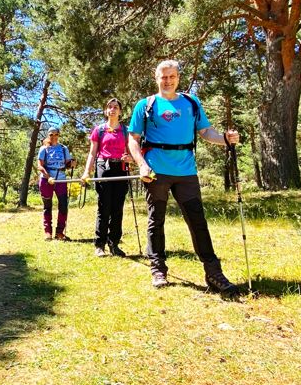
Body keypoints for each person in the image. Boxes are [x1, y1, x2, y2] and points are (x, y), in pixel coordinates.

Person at [127, 60, 241, 294]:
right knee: (156, 219)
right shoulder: (145, 105)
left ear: (178, 77)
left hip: (186, 171)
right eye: (163, 76)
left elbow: (206, 132)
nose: (167, 80)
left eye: (172, 76)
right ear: (156, 77)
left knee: (198, 221)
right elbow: (133, 139)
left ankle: (214, 273)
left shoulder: (191, 102)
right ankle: (158, 268)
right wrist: (141, 165)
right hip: (157, 171)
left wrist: (225, 139)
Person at [81, 97, 132, 257]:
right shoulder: (99, 130)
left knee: (117, 208)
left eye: (116, 107)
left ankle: (114, 244)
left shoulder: (126, 130)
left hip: (121, 169)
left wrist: (130, 158)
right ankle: (99, 245)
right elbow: (92, 153)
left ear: (120, 111)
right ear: (106, 111)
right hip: (104, 167)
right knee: (104, 207)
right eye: (110, 107)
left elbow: (132, 150)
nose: (113, 109)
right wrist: (86, 172)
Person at [36, 127, 75, 240]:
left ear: (59, 135)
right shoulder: (44, 149)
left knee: (63, 206)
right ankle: (48, 232)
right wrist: (48, 177)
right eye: (51, 134)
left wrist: (72, 163)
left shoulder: (64, 148)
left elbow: (67, 164)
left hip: (61, 179)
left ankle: (60, 233)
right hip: (46, 180)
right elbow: (40, 165)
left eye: (56, 134)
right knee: (47, 206)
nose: (53, 136)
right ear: (48, 135)